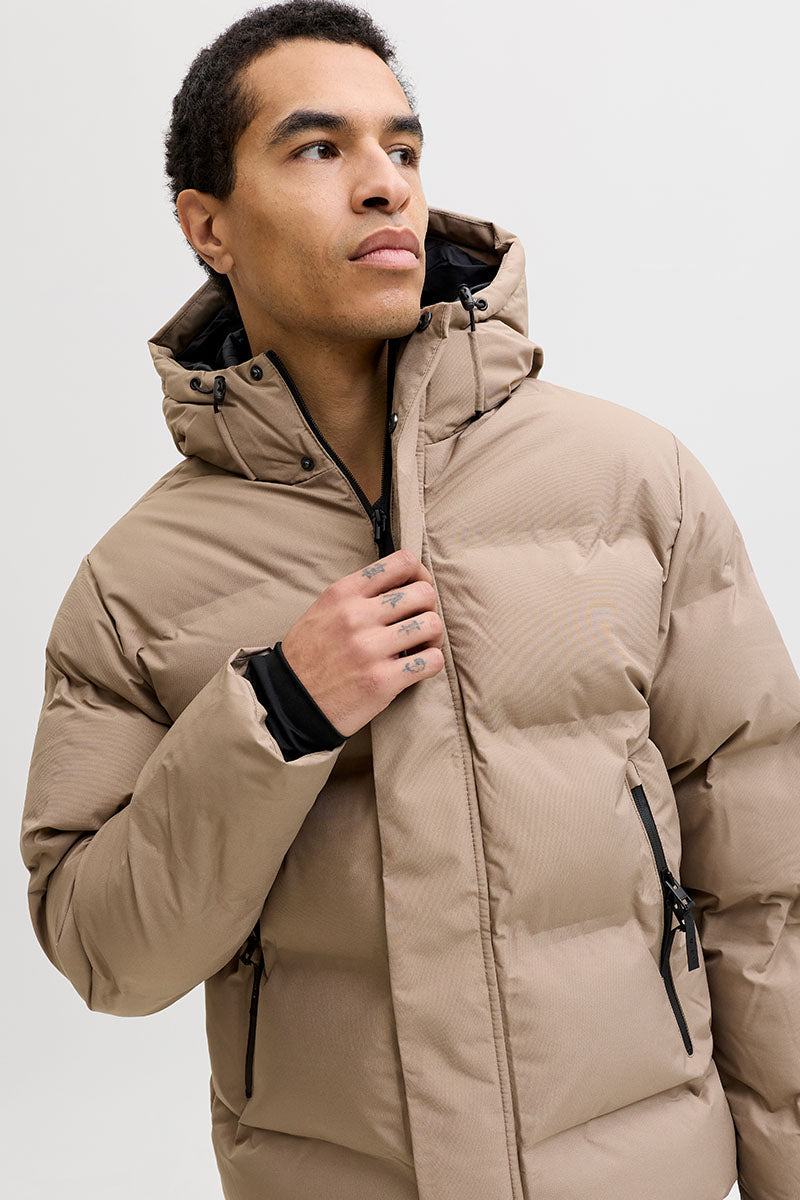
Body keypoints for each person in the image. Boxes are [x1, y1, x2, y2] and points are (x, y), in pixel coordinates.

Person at [19, 3, 799, 1198]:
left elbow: (766, 891)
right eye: (317, 147)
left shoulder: (631, 485)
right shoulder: (137, 583)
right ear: (208, 226)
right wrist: (277, 713)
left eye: (402, 147)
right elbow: (105, 955)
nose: (386, 183)